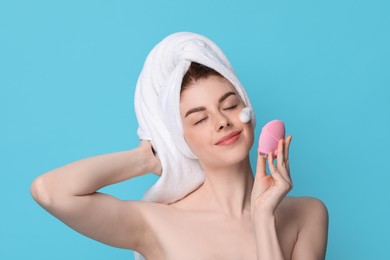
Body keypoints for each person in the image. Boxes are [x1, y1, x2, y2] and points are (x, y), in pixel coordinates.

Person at [30, 32, 328, 260]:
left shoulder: (307, 215)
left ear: (248, 111)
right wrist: (146, 158)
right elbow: (49, 190)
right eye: (199, 119)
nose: (221, 122)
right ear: (180, 138)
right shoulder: (158, 222)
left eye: (230, 105)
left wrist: (263, 216)